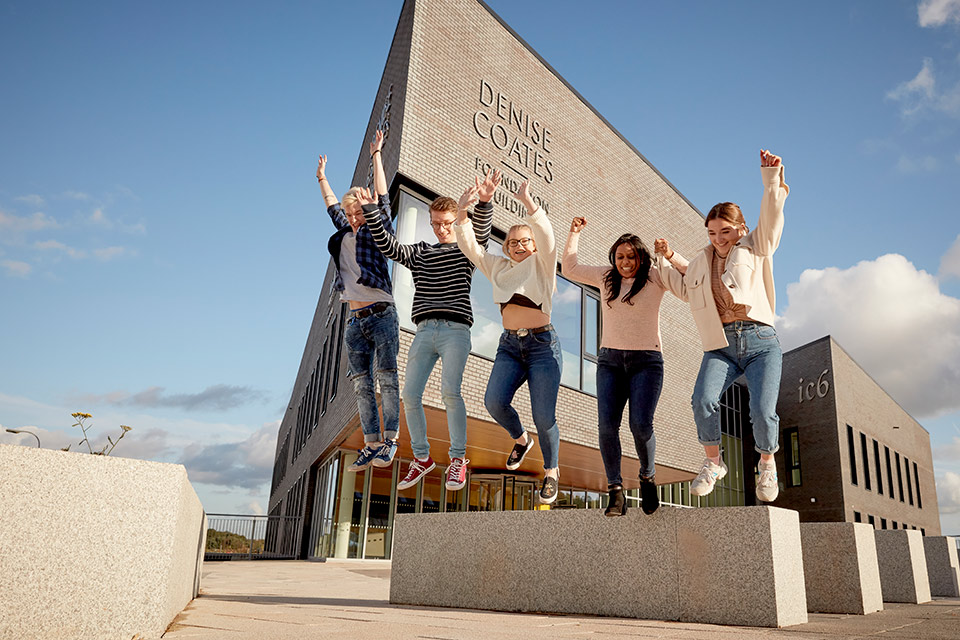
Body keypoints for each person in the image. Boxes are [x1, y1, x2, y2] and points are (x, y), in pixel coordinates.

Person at [655, 149, 789, 502]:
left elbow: (772, 219)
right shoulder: (701, 261)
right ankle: (714, 463)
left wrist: (770, 177)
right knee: (701, 400)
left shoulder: (755, 247)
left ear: (740, 229)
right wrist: (663, 259)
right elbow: (685, 284)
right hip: (721, 345)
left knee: (761, 411)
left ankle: (766, 464)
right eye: (712, 232)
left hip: (761, 342)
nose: (719, 238)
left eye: (726, 231)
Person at [362, 152, 500, 492]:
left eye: (447, 223)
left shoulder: (466, 250)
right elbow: (389, 247)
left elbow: (479, 236)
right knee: (410, 394)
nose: (441, 229)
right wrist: (371, 213)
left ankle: (457, 460)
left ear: (456, 221)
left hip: (455, 331)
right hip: (424, 331)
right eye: (436, 223)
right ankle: (422, 458)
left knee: (450, 392)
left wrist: (482, 202)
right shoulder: (421, 251)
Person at [455, 180, 562, 504]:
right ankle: (520, 438)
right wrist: (462, 211)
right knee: (494, 402)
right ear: (506, 247)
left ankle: (552, 471)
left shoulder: (543, 264)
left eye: (524, 241)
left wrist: (529, 204)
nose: (517, 245)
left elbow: (547, 237)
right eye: (512, 242)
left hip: (543, 347)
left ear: (533, 245)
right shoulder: (498, 267)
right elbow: (470, 247)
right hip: (510, 348)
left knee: (544, 416)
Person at [562, 219, 667, 516]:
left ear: (641, 257)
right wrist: (575, 234)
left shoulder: (656, 278)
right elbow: (569, 269)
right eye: (620, 256)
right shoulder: (606, 277)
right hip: (610, 361)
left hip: (647, 361)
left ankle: (647, 475)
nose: (625, 262)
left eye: (631, 256)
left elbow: (683, 282)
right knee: (607, 427)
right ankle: (615, 490)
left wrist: (666, 256)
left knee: (640, 425)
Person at [315, 132, 400, 473]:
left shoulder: (376, 229)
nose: (353, 220)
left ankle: (390, 439)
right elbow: (331, 206)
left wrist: (376, 155)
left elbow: (382, 197)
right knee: (362, 384)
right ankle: (372, 443)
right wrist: (322, 178)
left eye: (358, 215)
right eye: (350, 216)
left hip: (381, 314)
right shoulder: (347, 230)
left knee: (387, 376)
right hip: (355, 321)